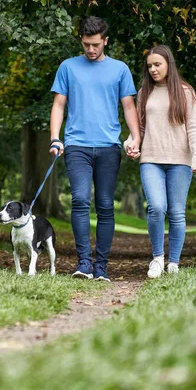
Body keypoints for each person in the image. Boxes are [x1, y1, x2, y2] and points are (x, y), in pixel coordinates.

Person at [49, 16, 141, 281]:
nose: (91, 50)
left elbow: (129, 107)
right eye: (87, 44)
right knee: (79, 200)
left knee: (104, 206)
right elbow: (58, 105)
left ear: (106, 41)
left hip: (109, 146)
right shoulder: (68, 67)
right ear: (81, 40)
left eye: (96, 45)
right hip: (76, 144)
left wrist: (136, 138)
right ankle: (84, 264)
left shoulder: (120, 69)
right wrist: (55, 137)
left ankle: (101, 266)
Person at [124, 44, 196, 279]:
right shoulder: (144, 93)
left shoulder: (185, 92)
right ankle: (158, 258)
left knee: (177, 213)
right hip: (151, 159)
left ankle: (174, 263)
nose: (153, 69)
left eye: (157, 64)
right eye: (149, 66)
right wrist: (130, 143)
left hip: (180, 161)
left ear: (169, 64)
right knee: (157, 207)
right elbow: (137, 128)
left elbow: (194, 128)